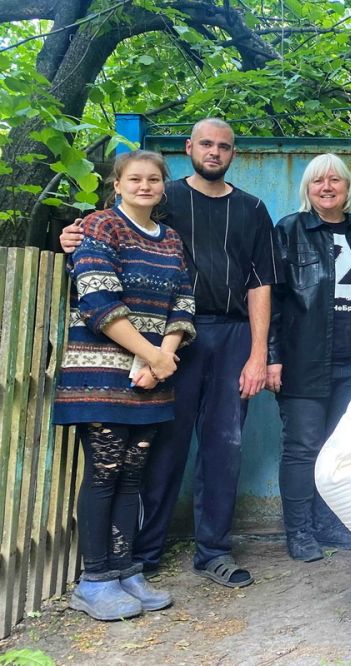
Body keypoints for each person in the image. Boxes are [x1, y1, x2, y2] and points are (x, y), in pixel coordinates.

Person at [60, 118, 279, 588]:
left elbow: (261, 284)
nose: (214, 152)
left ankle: (214, 551)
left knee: (225, 446)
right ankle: (145, 551)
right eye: (206, 144)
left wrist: (258, 352)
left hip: (233, 334)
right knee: (162, 445)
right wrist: (70, 236)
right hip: (169, 340)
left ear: (233, 153)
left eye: (224, 145)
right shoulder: (165, 198)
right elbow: (109, 233)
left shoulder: (253, 208)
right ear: (189, 148)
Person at [54, 150, 195, 620]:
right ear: (117, 184)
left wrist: (163, 356)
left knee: (132, 475)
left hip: (151, 376)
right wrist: (151, 353)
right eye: (135, 178)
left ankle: (124, 569)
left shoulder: (172, 239)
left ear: (163, 187)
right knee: (103, 472)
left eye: (154, 179)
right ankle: (94, 580)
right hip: (100, 374)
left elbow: (183, 303)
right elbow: (97, 299)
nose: (145, 186)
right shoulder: (100, 227)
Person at [266, 153, 351, 561]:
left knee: (340, 449)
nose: (327, 187)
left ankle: (331, 523)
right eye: (319, 181)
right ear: (308, 188)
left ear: (348, 188)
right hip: (303, 360)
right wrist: (271, 356)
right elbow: (273, 300)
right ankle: (299, 531)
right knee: (303, 447)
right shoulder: (289, 230)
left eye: (335, 180)